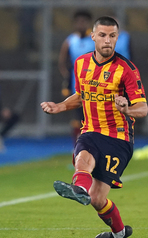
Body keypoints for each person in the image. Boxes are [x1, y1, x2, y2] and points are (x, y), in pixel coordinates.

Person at [41, 16, 148, 238]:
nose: (107, 41)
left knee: (98, 199)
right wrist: (59, 106)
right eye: (102, 35)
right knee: (82, 157)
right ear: (93, 37)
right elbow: (81, 95)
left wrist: (127, 109)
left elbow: (143, 108)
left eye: (112, 36)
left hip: (118, 138)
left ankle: (119, 233)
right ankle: (79, 188)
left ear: (117, 38)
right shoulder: (80, 63)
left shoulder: (126, 69)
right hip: (90, 130)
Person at [58, 10, 95, 144]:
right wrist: (67, 79)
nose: (81, 24)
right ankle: (78, 147)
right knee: (78, 118)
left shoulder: (95, 39)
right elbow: (62, 61)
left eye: (84, 21)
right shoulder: (70, 40)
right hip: (77, 86)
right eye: (78, 21)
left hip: (95, 85)